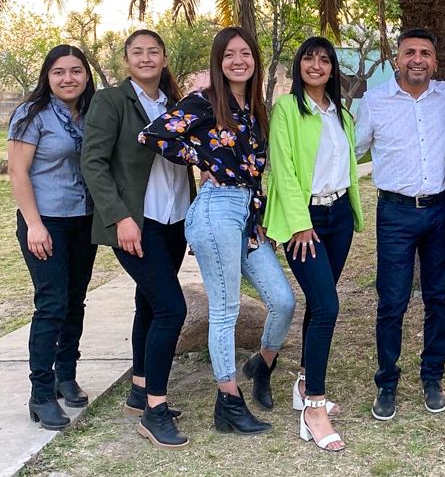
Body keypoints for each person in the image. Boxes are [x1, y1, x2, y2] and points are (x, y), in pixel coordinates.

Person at [139, 26, 296, 436]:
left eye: (245, 53)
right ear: (219, 62)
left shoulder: (257, 107)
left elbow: (256, 171)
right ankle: (228, 401)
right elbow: (153, 134)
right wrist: (202, 159)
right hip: (216, 209)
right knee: (225, 309)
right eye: (229, 55)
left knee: (283, 301)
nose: (238, 60)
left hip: (246, 216)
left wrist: (260, 218)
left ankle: (259, 365)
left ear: (255, 60)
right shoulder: (205, 101)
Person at [81, 30, 197, 448]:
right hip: (137, 224)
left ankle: (138, 390)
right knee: (171, 309)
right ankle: (155, 411)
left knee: (148, 304)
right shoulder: (111, 101)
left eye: (154, 51)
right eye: (137, 52)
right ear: (126, 60)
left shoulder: (178, 105)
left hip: (176, 221)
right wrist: (120, 218)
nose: (146, 58)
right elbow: (92, 163)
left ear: (165, 58)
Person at [263, 37, 364, 451]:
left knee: (319, 302)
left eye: (325, 60)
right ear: (299, 65)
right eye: (309, 58)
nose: (317, 65)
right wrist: (300, 224)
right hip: (303, 218)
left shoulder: (341, 111)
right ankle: (315, 408)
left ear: (332, 68)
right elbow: (284, 169)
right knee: (327, 307)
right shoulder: (288, 108)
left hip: (338, 216)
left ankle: (304, 384)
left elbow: (347, 163)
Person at [354, 28, 445, 421]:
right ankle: (387, 383)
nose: (418, 59)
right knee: (392, 302)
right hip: (395, 213)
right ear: (396, 59)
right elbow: (352, 148)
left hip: (440, 213)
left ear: (435, 61)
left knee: (437, 299)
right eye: (410, 52)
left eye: (426, 53)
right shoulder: (374, 101)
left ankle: (432, 377)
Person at [8, 45, 98, 431]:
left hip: (84, 220)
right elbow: (17, 172)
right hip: (45, 220)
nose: (68, 78)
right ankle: (41, 393)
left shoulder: (90, 114)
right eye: (59, 72)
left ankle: (66, 374)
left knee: (75, 300)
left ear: (87, 76)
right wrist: (35, 225)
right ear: (47, 76)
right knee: (51, 304)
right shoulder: (31, 115)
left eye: (76, 71)